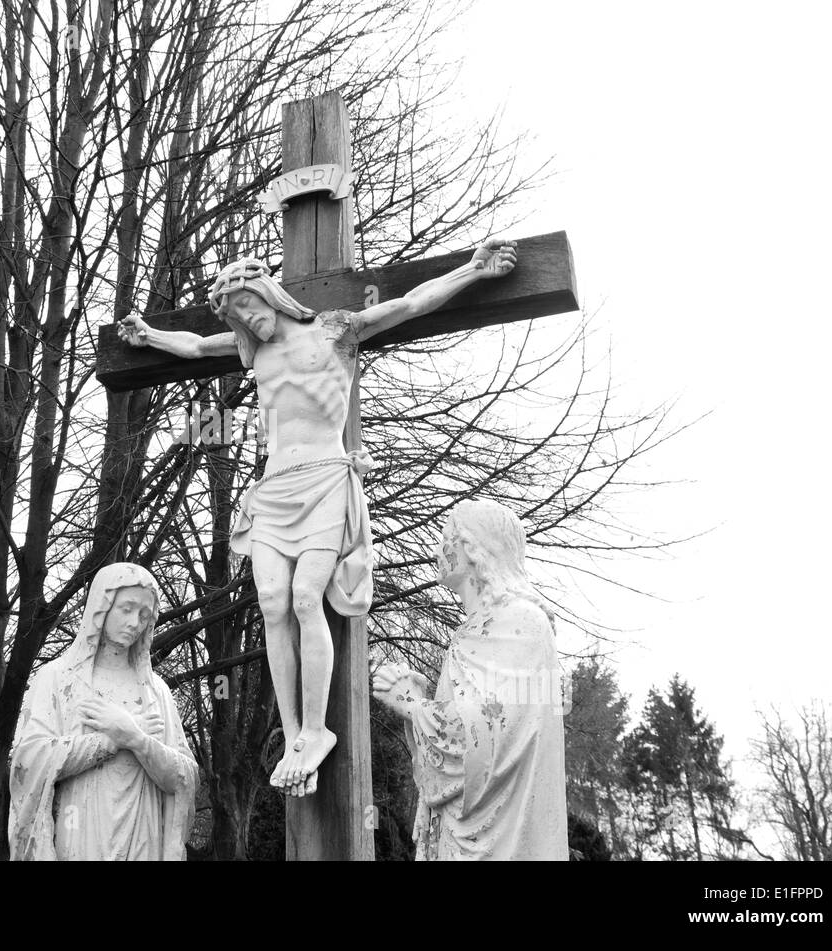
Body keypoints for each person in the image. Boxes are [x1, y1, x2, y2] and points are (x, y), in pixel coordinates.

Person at [118, 240, 517, 796]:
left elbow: (409, 304)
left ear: (269, 295)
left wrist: (473, 270)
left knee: (308, 598)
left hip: (327, 476)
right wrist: (150, 336)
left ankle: (316, 728)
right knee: (273, 604)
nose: (248, 324)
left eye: (250, 310)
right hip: (274, 489)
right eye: (238, 320)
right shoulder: (251, 352)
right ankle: (293, 733)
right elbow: (194, 346)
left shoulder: (336, 329)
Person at [372, 498, 568, 860]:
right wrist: (420, 702)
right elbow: (462, 737)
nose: (439, 549)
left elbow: (480, 740)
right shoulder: (466, 634)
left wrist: (411, 704)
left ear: (475, 548)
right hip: (458, 834)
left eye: (447, 537)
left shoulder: (523, 623)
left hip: (503, 842)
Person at [8, 563, 198, 860]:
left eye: (144, 615)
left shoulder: (155, 691)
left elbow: (184, 777)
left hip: (143, 838)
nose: (135, 622)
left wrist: (136, 739)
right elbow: (29, 763)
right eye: (127, 608)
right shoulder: (59, 678)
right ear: (102, 606)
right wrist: (109, 742)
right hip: (80, 833)